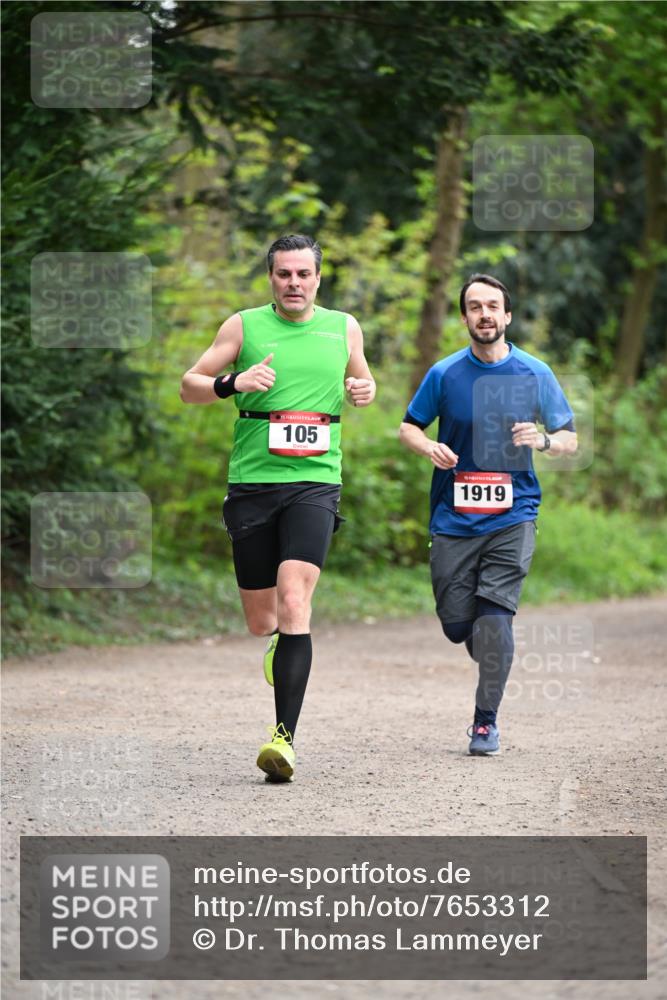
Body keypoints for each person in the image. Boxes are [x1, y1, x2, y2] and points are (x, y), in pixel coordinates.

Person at [180, 234, 375, 781]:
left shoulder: (344, 326)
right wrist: (232, 382)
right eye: (284, 274)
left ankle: (282, 741)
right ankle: (279, 645)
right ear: (272, 278)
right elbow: (188, 385)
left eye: (303, 274)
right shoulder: (243, 326)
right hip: (253, 483)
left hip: (316, 480)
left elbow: (361, 377)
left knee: (295, 598)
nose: (294, 283)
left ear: (318, 278)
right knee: (262, 618)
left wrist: (365, 390)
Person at [399, 274, 577, 756]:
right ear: (464, 318)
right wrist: (428, 446)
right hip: (453, 517)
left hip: (512, 513)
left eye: (493, 306)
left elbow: (569, 438)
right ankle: (490, 643)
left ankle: (485, 722)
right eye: (475, 307)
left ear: (508, 315)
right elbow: (408, 427)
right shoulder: (444, 374)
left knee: (495, 620)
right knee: (460, 625)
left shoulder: (535, 373)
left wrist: (542, 440)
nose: (485, 314)